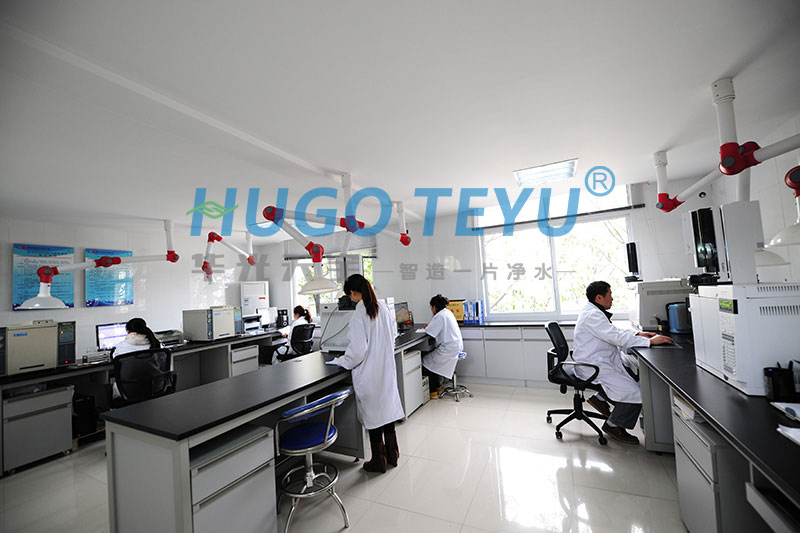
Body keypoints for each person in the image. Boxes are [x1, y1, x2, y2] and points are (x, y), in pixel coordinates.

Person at [572, 281, 673, 445]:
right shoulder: (593, 315)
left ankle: (600, 399)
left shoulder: (593, 311)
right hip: (594, 366)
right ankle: (613, 426)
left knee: (631, 372)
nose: (612, 298)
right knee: (636, 393)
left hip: (600, 361)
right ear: (599, 297)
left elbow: (614, 331)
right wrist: (650, 342)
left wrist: (638, 334)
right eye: (610, 294)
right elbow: (616, 337)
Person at [331, 274, 404, 473]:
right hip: (385, 370)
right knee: (386, 413)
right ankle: (393, 454)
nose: (351, 298)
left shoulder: (359, 314)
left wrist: (341, 361)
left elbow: (357, 352)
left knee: (374, 418)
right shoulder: (383, 308)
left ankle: (378, 460)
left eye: (350, 295)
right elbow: (393, 335)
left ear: (353, 293)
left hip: (370, 374)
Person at [422, 294, 463, 398]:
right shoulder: (447, 312)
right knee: (433, 362)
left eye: (431, 307)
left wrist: (427, 327)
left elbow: (430, 332)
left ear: (434, 307)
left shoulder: (439, 316)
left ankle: (433, 392)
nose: (431, 309)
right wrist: (430, 326)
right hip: (455, 346)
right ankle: (439, 388)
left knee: (426, 362)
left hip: (448, 349)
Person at [111, 318, 162, 398]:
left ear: (128, 332)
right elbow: (162, 364)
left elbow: (116, 363)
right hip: (154, 388)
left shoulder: (120, 347)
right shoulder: (155, 344)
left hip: (128, 391)